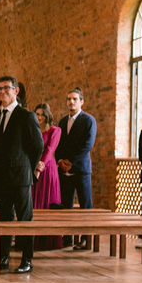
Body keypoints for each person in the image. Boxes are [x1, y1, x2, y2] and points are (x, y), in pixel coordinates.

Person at [0, 76, 43, 274]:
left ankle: (27, 260)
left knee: (25, 219)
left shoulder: (26, 116)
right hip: (1, 177)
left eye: (6, 88)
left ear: (16, 91)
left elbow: (37, 146)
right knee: (4, 219)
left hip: (21, 177)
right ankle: (3, 257)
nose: (2, 92)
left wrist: (30, 169)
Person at [55, 87, 97, 249]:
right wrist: (60, 161)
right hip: (64, 169)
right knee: (66, 205)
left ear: (81, 102)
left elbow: (88, 145)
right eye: (68, 99)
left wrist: (71, 162)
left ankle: (86, 238)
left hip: (81, 168)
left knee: (86, 205)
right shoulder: (63, 121)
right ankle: (67, 237)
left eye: (74, 99)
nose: (71, 102)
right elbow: (58, 143)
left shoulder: (88, 120)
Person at [31, 102, 62, 249]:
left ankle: (48, 241)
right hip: (33, 167)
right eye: (37, 114)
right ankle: (32, 240)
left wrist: (40, 166)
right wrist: (34, 165)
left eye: (42, 114)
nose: (39, 117)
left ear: (47, 115)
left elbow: (50, 150)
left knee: (47, 204)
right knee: (34, 204)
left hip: (47, 170)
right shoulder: (32, 130)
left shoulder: (55, 130)